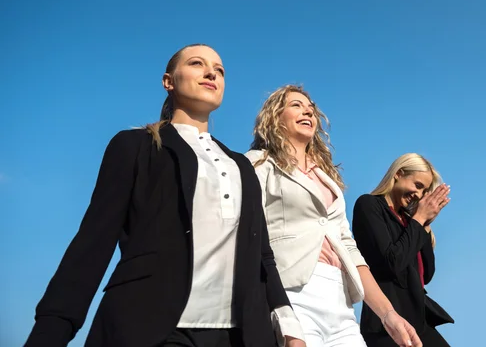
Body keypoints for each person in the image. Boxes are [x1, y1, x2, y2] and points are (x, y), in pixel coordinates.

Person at [25, 44, 305, 347]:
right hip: (150, 328)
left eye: (220, 70)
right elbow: (92, 246)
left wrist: (288, 325)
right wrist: (49, 333)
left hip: (239, 335)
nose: (212, 72)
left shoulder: (241, 166)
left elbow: (263, 255)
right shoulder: (135, 147)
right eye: (197, 63)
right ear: (168, 81)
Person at [245, 85, 421, 347]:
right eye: (296, 105)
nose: (307, 111)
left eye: (311, 108)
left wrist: (388, 314)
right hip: (291, 292)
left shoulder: (327, 180)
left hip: (338, 299)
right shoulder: (258, 164)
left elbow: (349, 248)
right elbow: (249, 236)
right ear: (274, 116)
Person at [352, 154, 454, 347]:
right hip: (387, 324)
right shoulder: (369, 205)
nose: (418, 194)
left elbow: (426, 275)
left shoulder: (409, 221)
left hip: (419, 321)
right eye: (417, 185)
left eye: (423, 191)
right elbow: (392, 263)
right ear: (398, 174)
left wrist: (424, 224)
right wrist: (418, 220)